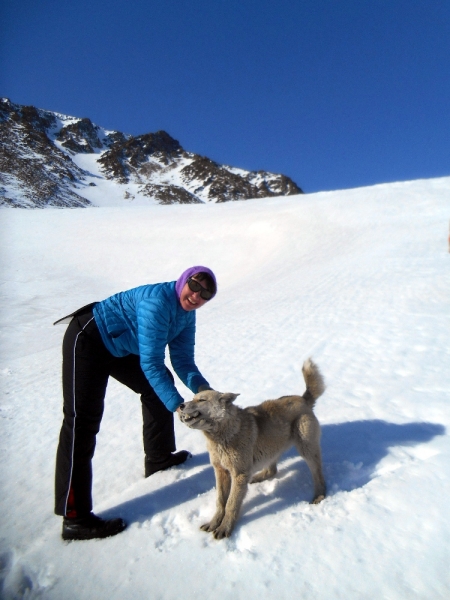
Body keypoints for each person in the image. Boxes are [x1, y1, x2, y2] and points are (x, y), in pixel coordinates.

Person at [54, 266, 217, 541]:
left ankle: (159, 458)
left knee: (158, 386)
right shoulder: (158, 303)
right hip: (89, 339)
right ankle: (75, 518)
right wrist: (179, 406)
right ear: (183, 280)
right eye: (195, 285)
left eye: (206, 294)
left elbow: (183, 361)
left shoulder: (187, 316)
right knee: (82, 423)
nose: (197, 295)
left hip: (119, 347)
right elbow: (150, 362)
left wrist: (205, 391)